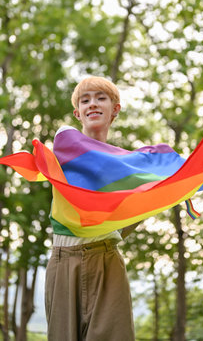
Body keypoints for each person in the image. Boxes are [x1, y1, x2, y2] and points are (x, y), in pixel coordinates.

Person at [45, 76, 136, 341]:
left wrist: (168, 186)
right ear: (78, 113)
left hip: (107, 262)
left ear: (115, 108)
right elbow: (91, 161)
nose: (92, 104)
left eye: (101, 98)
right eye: (85, 100)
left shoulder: (128, 167)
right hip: (64, 262)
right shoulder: (65, 142)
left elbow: (128, 219)